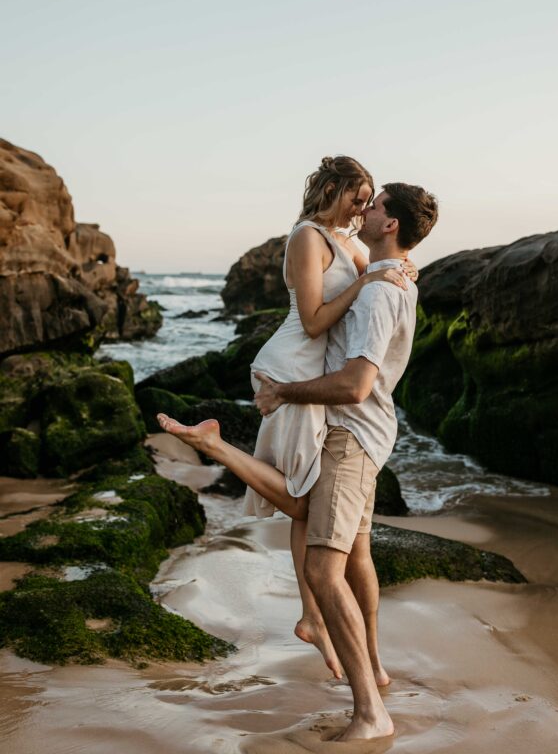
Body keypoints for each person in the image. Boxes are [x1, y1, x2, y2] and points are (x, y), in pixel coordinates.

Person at [157, 181, 438, 742]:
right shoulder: (388, 280)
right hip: (366, 436)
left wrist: (286, 394)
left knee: (321, 569)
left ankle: (369, 713)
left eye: (375, 205)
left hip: (352, 435)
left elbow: (357, 384)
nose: (366, 209)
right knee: (343, 545)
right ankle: (374, 674)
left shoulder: (383, 292)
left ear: (391, 226)